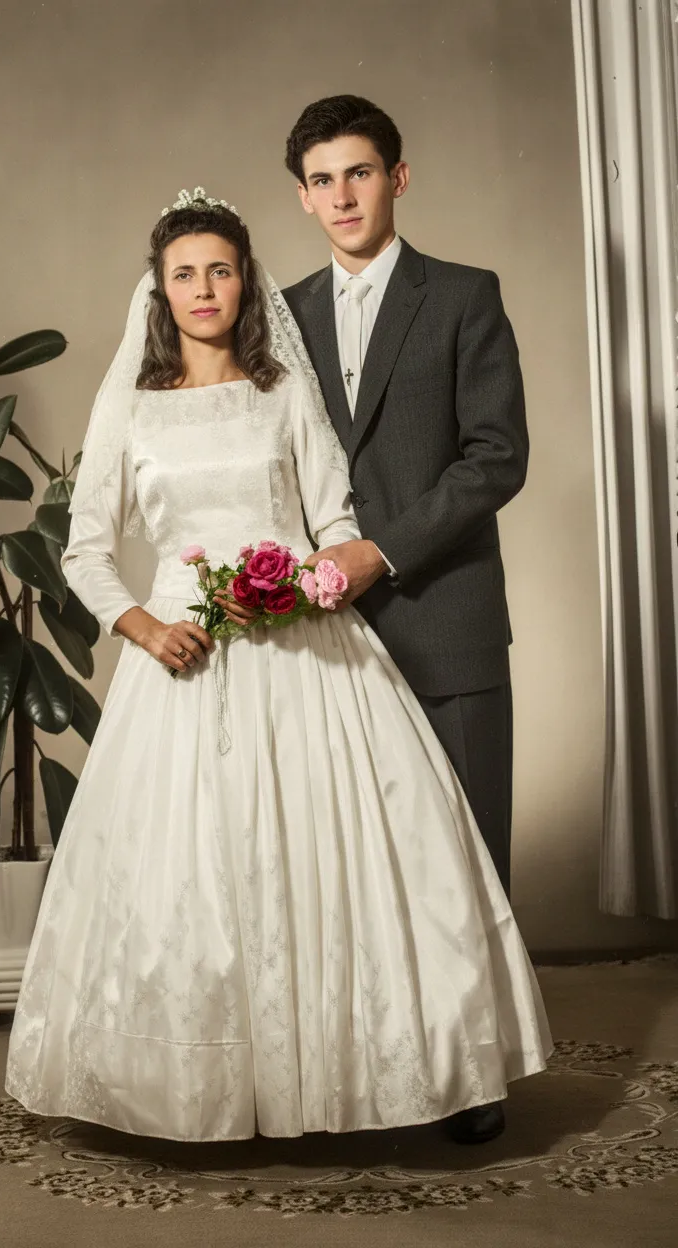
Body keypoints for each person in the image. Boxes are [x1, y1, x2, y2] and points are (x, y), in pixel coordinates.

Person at [5, 188, 551, 1145]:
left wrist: (307, 581)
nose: (204, 288)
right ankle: (191, 1087)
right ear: (159, 290)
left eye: (221, 270)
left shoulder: (283, 394)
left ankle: (357, 1076)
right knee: (194, 873)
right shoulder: (131, 411)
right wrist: (139, 624)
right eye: (184, 274)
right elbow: (86, 547)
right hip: (181, 657)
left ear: (244, 282)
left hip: (302, 644)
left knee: (330, 860)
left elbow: (335, 522)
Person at [282, 97, 529, 1142]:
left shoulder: (464, 295)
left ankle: (473, 1082)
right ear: (302, 194)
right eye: (322, 180)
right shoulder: (280, 310)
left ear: (399, 177)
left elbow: (496, 456)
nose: (342, 196)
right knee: (349, 865)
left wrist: (375, 553)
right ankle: (371, 1073)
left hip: (445, 620)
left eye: (360, 174)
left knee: (464, 858)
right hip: (326, 644)